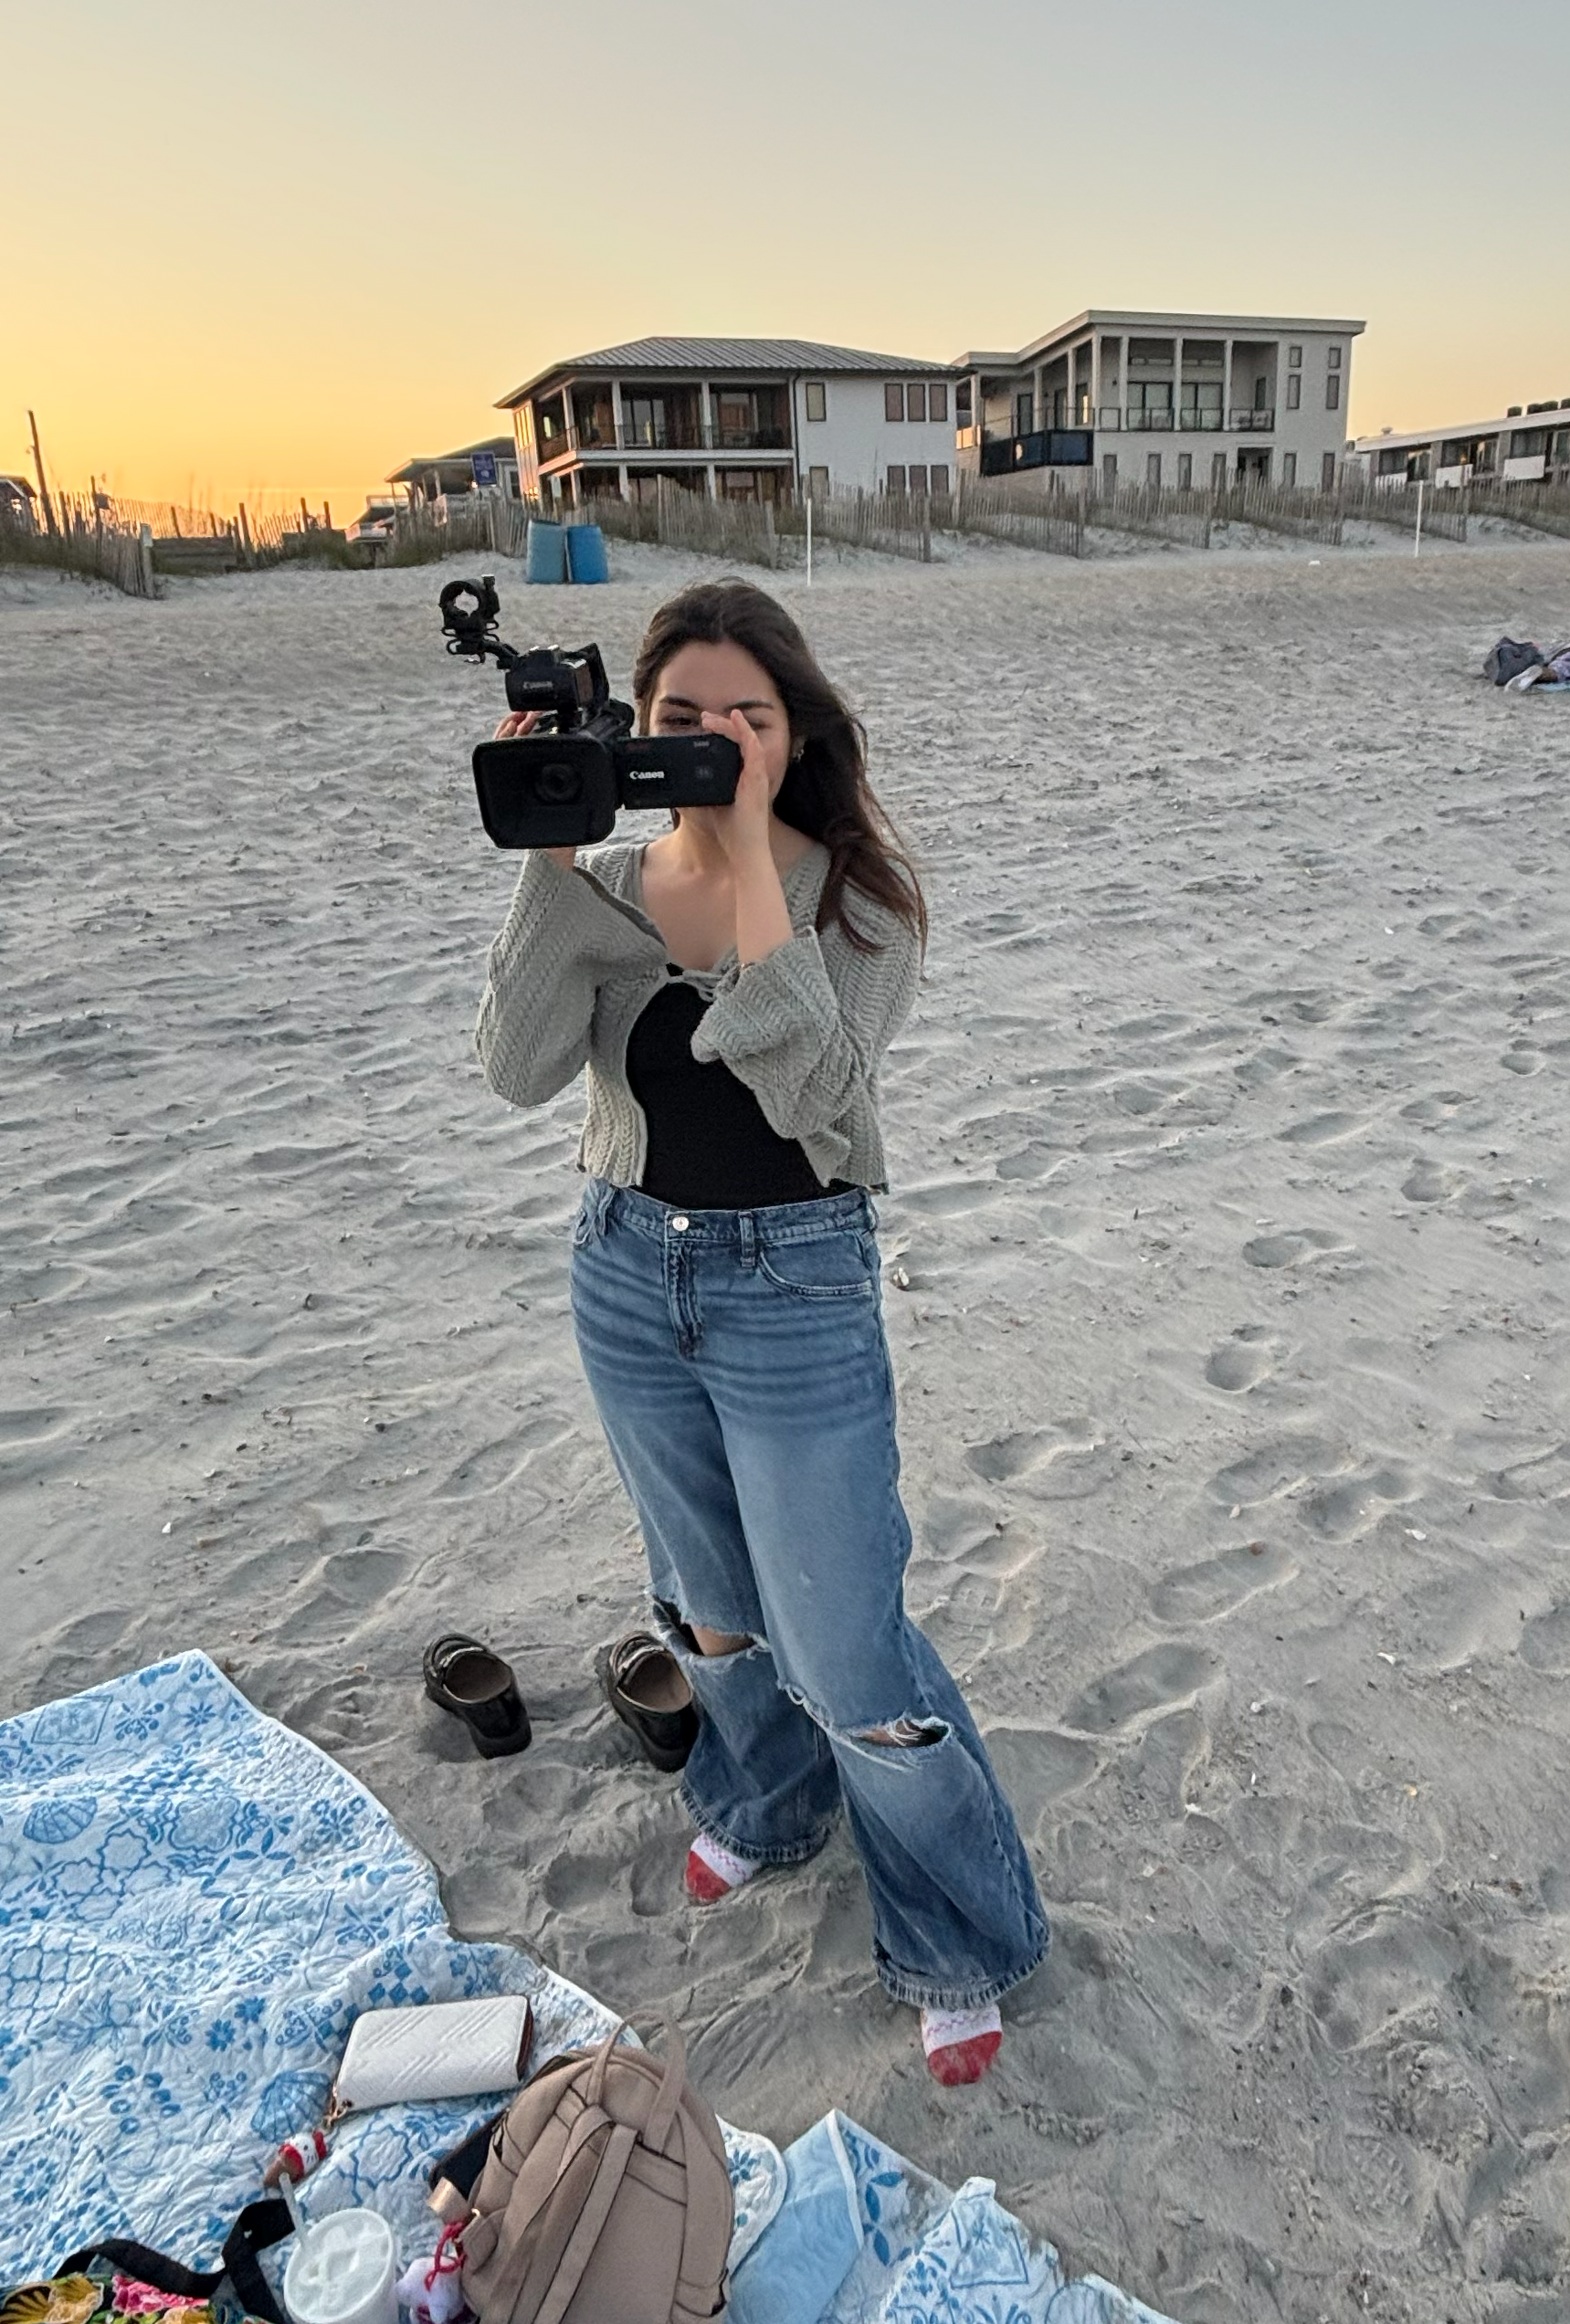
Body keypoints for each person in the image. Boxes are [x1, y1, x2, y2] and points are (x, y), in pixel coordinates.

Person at [473, 578, 1048, 2087]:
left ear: (798, 737)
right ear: (629, 732)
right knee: (708, 1603)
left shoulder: (861, 908)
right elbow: (516, 1068)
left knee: (848, 1644)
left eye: (746, 718)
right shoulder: (599, 887)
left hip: (793, 1284)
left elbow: (830, 1112)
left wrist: (745, 903)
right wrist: (546, 869)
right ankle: (758, 1806)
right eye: (678, 722)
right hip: (623, 1269)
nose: (712, 744)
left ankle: (958, 1935)